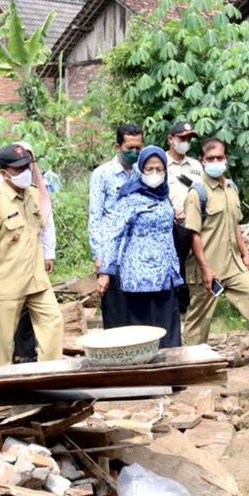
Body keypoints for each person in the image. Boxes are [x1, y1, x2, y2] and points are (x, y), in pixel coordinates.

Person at [181, 137, 249, 366]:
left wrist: (245, 254)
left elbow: (235, 225)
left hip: (232, 263)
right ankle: (190, 361)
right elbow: (193, 234)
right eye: (210, 158)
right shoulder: (197, 193)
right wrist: (205, 268)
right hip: (207, 267)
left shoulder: (231, 188)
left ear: (226, 158)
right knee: (200, 316)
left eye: (219, 157)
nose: (215, 162)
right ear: (202, 160)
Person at [0, 144, 64, 366]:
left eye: (27, 166)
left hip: (36, 278)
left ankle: (51, 375)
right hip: (7, 280)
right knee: (4, 341)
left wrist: (49, 253)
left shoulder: (33, 193)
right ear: (4, 173)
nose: (25, 172)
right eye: (18, 169)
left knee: (53, 322)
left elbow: (44, 226)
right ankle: (2, 382)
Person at [97, 147, 184, 347]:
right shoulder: (130, 198)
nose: (154, 173)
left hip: (165, 276)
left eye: (159, 169)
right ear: (141, 169)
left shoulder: (164, 196)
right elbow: (112, 235)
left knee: (168, 334)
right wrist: (106, 271)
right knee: (142, 335)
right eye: (149, 169)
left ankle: (170, 366)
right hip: (138, 278)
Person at [89, 124, 143, 328]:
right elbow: (96, 217)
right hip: (113, 255)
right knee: (116, 316)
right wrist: (100, 257)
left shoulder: (142, 173)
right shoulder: (102, 175)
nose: (134, 152)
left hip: (138, 256)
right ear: (118, 147)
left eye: (138, 148)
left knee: (138, 318)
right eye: (130, 148)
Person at [165, 120, 203, 221]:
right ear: (170, 139)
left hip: (195, 222)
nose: (186, 142)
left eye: (189, 139)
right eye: (182, 138)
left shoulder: (196, 165)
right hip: (169, 223)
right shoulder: (160, 164)